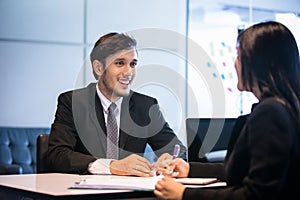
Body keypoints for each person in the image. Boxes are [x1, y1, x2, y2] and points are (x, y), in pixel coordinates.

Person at [154, 21, 300, 199]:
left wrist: (185, 194)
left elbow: (257, 194)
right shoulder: (287, 108)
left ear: (256, 62)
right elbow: (242, 170)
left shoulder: (270, 113)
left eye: (239, 56)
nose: (235, 63)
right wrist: (190, 169)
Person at [47, 32, 186, 176]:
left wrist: (170, 160)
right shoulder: (73, 102)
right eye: (120, 63)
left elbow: (178, 149)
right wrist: (111, 166)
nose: (129, 72)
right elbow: (57, 155)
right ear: (98, 68)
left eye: (133, 64)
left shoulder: (145, 106)